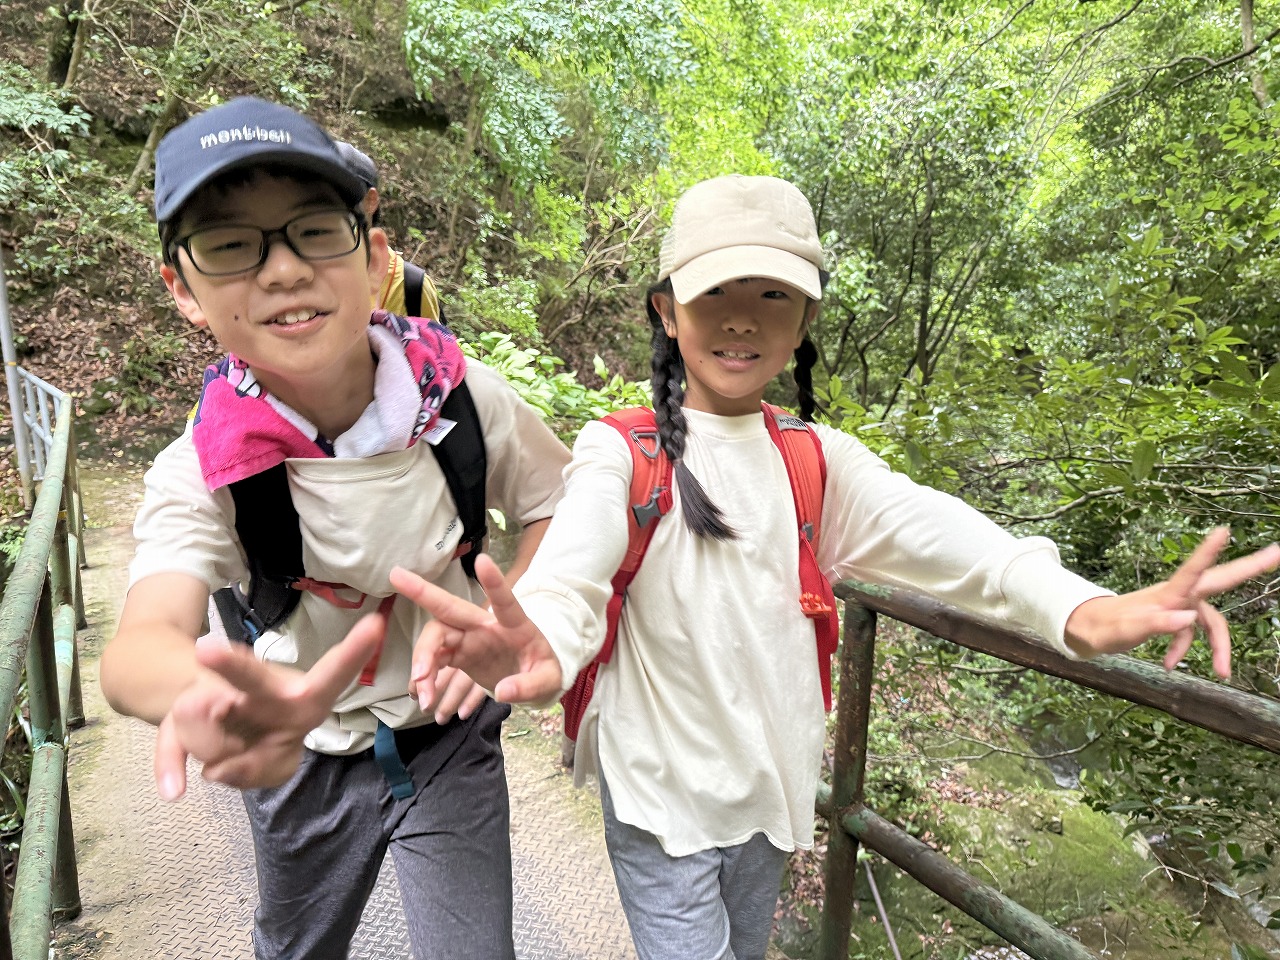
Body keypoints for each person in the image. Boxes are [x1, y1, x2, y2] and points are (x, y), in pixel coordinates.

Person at [388, 174, 1280, 960]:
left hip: (770, 796)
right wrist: (541, 640)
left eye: (773, 293)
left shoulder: (817, 461)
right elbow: (572, 571)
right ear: (666, 309)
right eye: (715, 290)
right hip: (659, 796)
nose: (743, 316)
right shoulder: (621, 451)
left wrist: (1080, 609)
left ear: (807, 317)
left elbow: (955, 540)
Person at [98, 95, 571, 960]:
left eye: (316, 231)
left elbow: (556, 501)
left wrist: (530, 609)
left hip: (448, 733)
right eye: (231, 245)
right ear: (183, 290)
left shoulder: (464, 401)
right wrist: (201, 693)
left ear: (373, 255)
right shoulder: (206, 464)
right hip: (301, 753)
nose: (283, 270)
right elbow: (142, 641)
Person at [334, 139, 443, 322]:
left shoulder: (411, 286)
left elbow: (433, 339)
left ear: (371, 201)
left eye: (342, 194)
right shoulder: (300, 274)